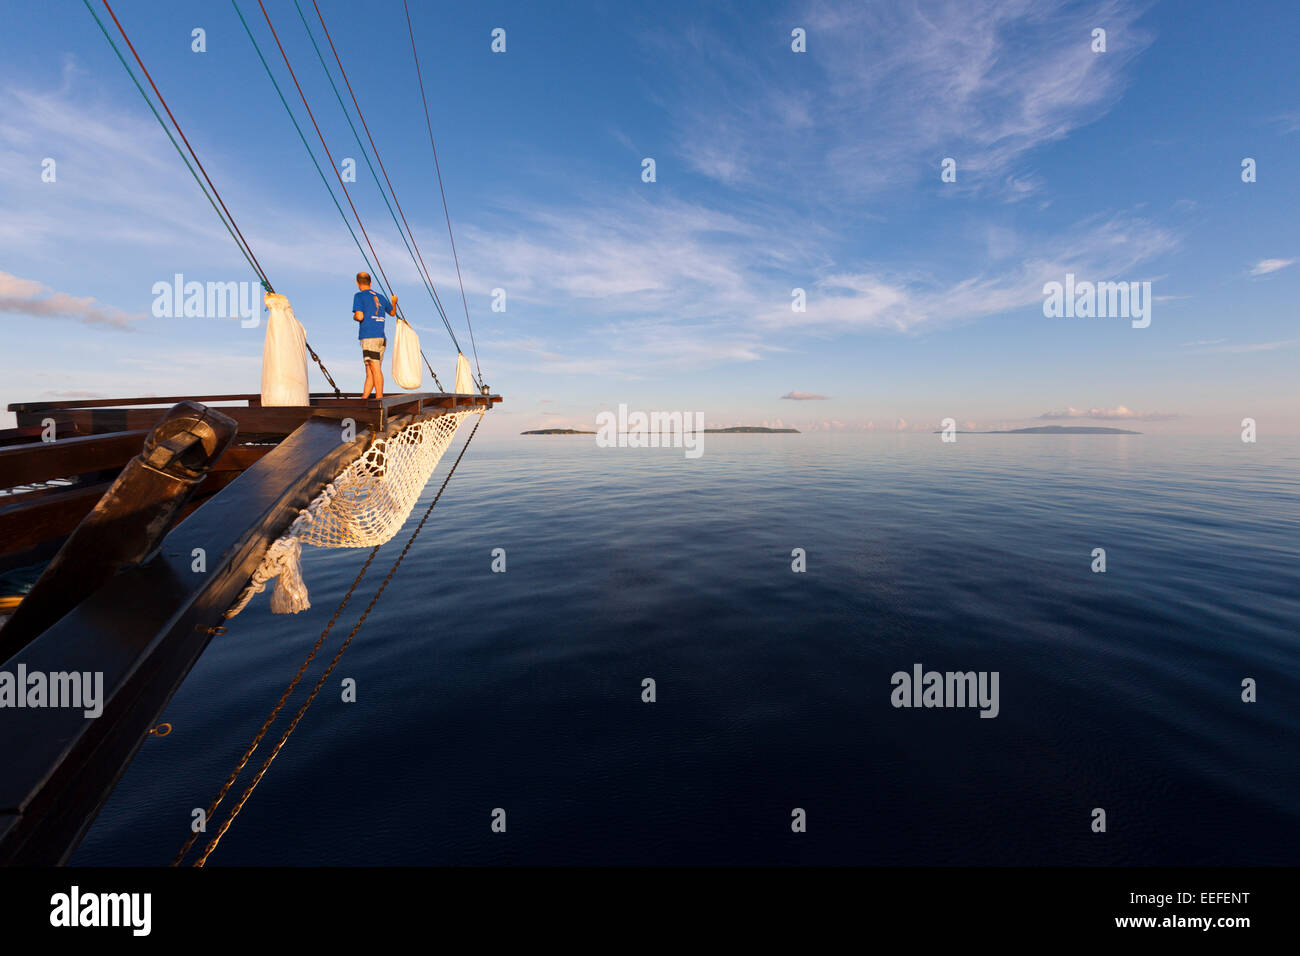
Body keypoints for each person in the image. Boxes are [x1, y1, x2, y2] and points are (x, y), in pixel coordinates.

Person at [352, 272, 396, 399]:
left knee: (375, 368)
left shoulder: (359, 296)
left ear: (357, 282)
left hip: (369, 337)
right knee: (370, 370)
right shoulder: (381, 297)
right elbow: (392, 313)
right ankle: (364, 398)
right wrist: (394, 302)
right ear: (370, 283)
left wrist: (355, 316)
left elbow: (359, 316)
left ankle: (379, 399)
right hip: (381, 338)